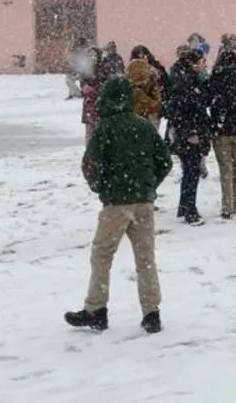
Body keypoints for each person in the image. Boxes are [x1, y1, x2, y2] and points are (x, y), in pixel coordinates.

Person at [65, 77, 172, 334]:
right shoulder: (144, 126)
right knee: (145, 259)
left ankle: (96, 309)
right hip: (143, 203)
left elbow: (89, 164)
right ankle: (151, 313)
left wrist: (101, 187)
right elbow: (165, 161)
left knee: (102, 256)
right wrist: (149, 185)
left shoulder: (106, 128)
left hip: (116, 203)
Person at [168, 49, 213, 226]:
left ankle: (183, 206)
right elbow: (180, 112)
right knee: (191, 172)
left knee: (189, 171)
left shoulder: (192, 80)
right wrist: (190, 133)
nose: (205, 65)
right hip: (190, 136)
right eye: (203, 62)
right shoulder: (187, 83)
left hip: (193, 132)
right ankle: (190, 210)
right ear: (194, 64)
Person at [206, 48, 236, 219]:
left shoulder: (214, 79)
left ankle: (227, 206)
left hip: (221, 130)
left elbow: (207, 100)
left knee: (225, 169)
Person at [81, 47, 118, 145]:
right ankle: (89, 153)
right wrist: (84, 86)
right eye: (89, 55)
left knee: (101, 129)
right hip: (89, 103)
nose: (91, 57)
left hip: (101, 102)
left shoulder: (105, 67)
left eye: (93, 55)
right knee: (89, 130)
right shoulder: (87, 68)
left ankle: (101, 152)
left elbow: (110, 82)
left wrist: (98, 89)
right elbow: (83, 81)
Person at [126, 45, 164, 129]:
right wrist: (156, 105)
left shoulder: (128, 72)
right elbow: (157, 94)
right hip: (149, 114)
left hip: (134, 114)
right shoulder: (154, 71)